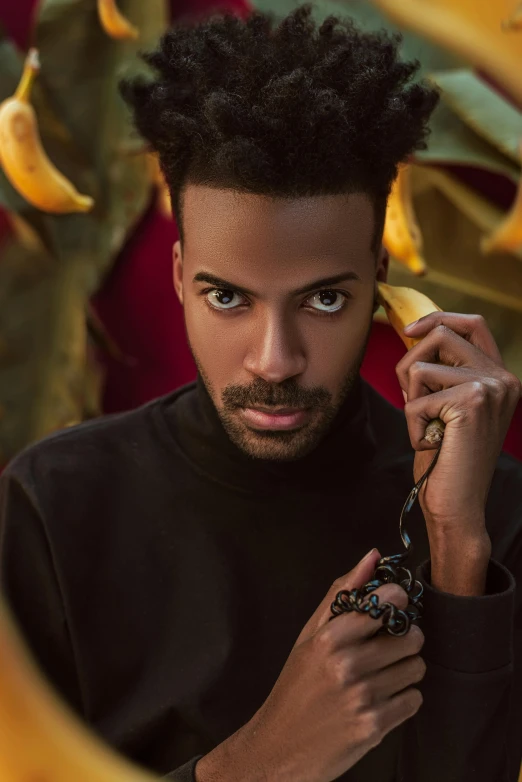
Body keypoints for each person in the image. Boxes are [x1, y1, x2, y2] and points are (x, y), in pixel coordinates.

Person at [1, 4, 521, 781]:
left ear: (380, 279)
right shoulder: (53, 504)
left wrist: (456, 548)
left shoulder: (493, 511)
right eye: (227, 298)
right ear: (179, 276)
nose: (274, 362)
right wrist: (270, 755)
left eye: (322, 301)